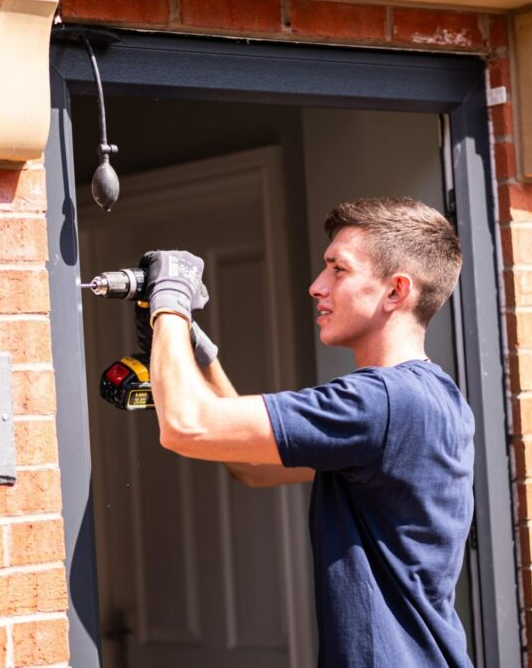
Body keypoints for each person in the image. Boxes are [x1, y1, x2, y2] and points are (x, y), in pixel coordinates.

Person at [139, 197, 475, 668]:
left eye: (339, 270)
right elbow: (252, 467)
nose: (317, 286)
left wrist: (169, 303)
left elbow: (185, 425)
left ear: (396, 292)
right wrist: (200, 356)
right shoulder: (436, 397)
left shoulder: (377, 403)